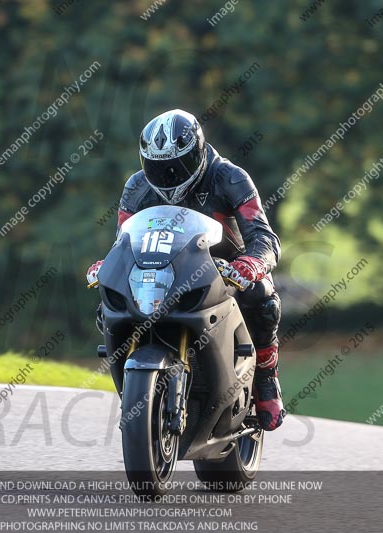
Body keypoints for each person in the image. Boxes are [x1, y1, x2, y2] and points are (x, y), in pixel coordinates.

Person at [87, 109, 285, 431]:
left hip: (224, 269)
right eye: (158, 168)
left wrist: (252, 263)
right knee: (107, 304)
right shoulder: (137, 187)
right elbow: (123, 243)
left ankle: (266, 378)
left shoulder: (230, 177)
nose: (168, 176)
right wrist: (109, 264)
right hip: (161, 270)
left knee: (264, 300)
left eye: (177, 166)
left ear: (197, 152)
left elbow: (263, 235)